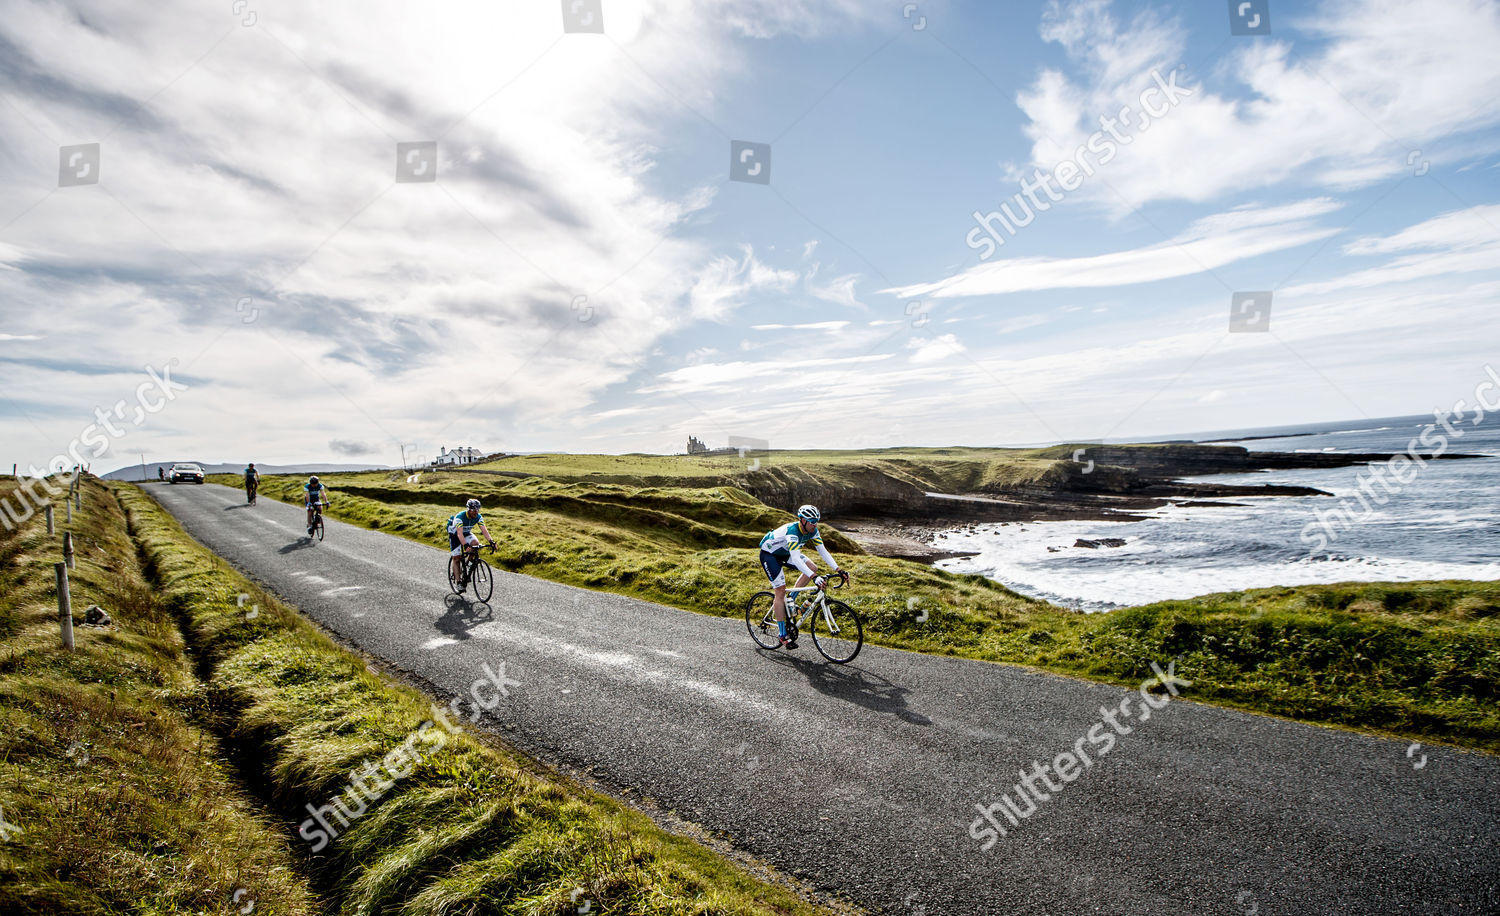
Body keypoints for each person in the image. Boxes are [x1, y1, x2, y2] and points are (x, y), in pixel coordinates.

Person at [758, 504, 847, 649]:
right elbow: (796, 558)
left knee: (813, 567)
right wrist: (814, 577)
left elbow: (822, 551)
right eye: (811, 521)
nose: (815, 524)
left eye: (816, 521)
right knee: (780, 591)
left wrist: (838, 569)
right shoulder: (793, 532)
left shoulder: (813, 531)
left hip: (785, 553)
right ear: (802, 520)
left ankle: (791, 600)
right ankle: (782, 635)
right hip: (770, 555)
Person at [448, 498, 497, 588]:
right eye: (474, 510)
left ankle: (469, 562)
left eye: (478, 509)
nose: (476, 512)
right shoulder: (460, 517)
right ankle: (459, 582)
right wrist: (465, 545)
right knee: (456, 558)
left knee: (475, 543)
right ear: (468, 509)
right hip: (455, 535)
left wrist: (491, 541)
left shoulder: (478, 517)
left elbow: (484, 530)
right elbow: (459, 533)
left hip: (466, 533)